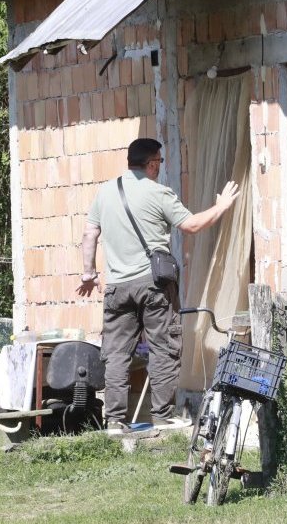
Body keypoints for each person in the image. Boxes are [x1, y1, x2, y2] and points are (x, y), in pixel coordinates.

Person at [77, 138, 240, 432]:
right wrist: (222, 207)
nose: (160, 167)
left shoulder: (106, 192)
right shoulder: (159, 193)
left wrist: (88, 274)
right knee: (163, 347)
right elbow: (192, 225)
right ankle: (163, 416)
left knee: (116, 354)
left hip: (117, 288)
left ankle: (114, 420)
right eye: (160, 162)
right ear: (152, 164)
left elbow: (90, 234)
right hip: (153, 286)